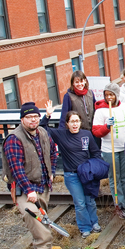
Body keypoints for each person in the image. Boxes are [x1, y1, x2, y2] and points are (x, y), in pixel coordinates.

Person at [2, 102, 62, 249]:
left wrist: (52, 172)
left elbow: (53, 153)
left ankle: (46, 245)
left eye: (36, 116)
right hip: (25, 186)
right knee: (31, 214)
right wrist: (29, 190)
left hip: (43, 183)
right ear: (22, 119)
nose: (33, 120)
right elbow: (16, 168)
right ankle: (42, 245)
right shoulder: (14, 139)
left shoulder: (42, 132)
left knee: (41, 214)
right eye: (29, 117)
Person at [40, 100, 102, 238]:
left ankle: (94, 223)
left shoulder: (87, 135)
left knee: (90, 200)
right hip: (72, 176)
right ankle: (85, 228)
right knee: (80, 203)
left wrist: (94, 166)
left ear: (80, 122)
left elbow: (95, 153)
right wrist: (48, 115)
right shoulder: (61, 135)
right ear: (67, 123)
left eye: (77, 121)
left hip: (87, 174)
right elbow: (42, 128)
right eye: (72, 121)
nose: (75, 124)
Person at [92, 82, 125, 218]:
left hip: (124, 147)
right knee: (115, 178)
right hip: (110, 149)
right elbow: (96, 132)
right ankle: (119, 205)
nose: (109, 97)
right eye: (106, 95)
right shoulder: (101, 111)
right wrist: (106, 126)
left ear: (117, 95)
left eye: (111, 95)